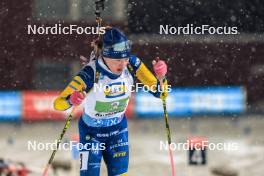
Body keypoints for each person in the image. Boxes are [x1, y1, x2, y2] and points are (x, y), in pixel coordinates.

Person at [54, 27, 168, 176]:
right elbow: (58, 103)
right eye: (118, 60)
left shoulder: (132, 64)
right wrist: (71, 99)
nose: (123, 64)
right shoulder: (90, 73)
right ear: (105, 57)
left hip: (118, 130)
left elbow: (161, 93)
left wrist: (161, 77)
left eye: (125, 59)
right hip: (91, 133)